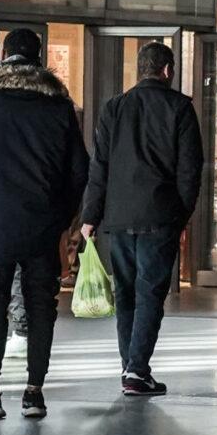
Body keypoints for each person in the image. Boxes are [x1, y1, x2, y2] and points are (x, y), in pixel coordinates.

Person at [0, 28, 87, 420]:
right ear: (39, 58)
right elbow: (79, 172)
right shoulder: (59, 104)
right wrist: (60, 219)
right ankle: (34, 392)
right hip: (42, 226)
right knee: (41, 307)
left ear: (3, 54)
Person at [80, 40, 203, 395]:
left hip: (118, 217)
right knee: (150, 293)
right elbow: (189, 171)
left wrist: (90, 215)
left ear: (141, 69)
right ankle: (136, 370)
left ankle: (130, 368)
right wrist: (181, 216)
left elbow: (99, 166)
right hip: (160, 216)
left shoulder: (114, 107)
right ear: (167, 70)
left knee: (126, 294)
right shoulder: (180, 108)